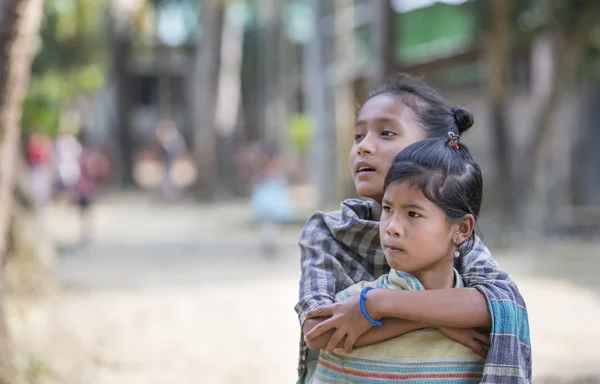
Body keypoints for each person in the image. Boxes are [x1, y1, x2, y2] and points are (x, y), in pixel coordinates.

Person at [296, 74, 531, 383]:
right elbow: (317, 329)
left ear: (432, 148)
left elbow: (502, 303)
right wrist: (438, 320)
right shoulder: (329, 231)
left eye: (386, 133)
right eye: (358, 136)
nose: (364, 147)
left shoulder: (452, 234)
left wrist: (376, 304)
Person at [311, 134, 511, 382]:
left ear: (461, 229)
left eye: (413, 214)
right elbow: (316, 334)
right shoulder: (355, 303)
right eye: (387, 209)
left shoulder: (485, 331)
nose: (391, 227)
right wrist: (430, 321)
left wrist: (382, 306)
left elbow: (503, 306)